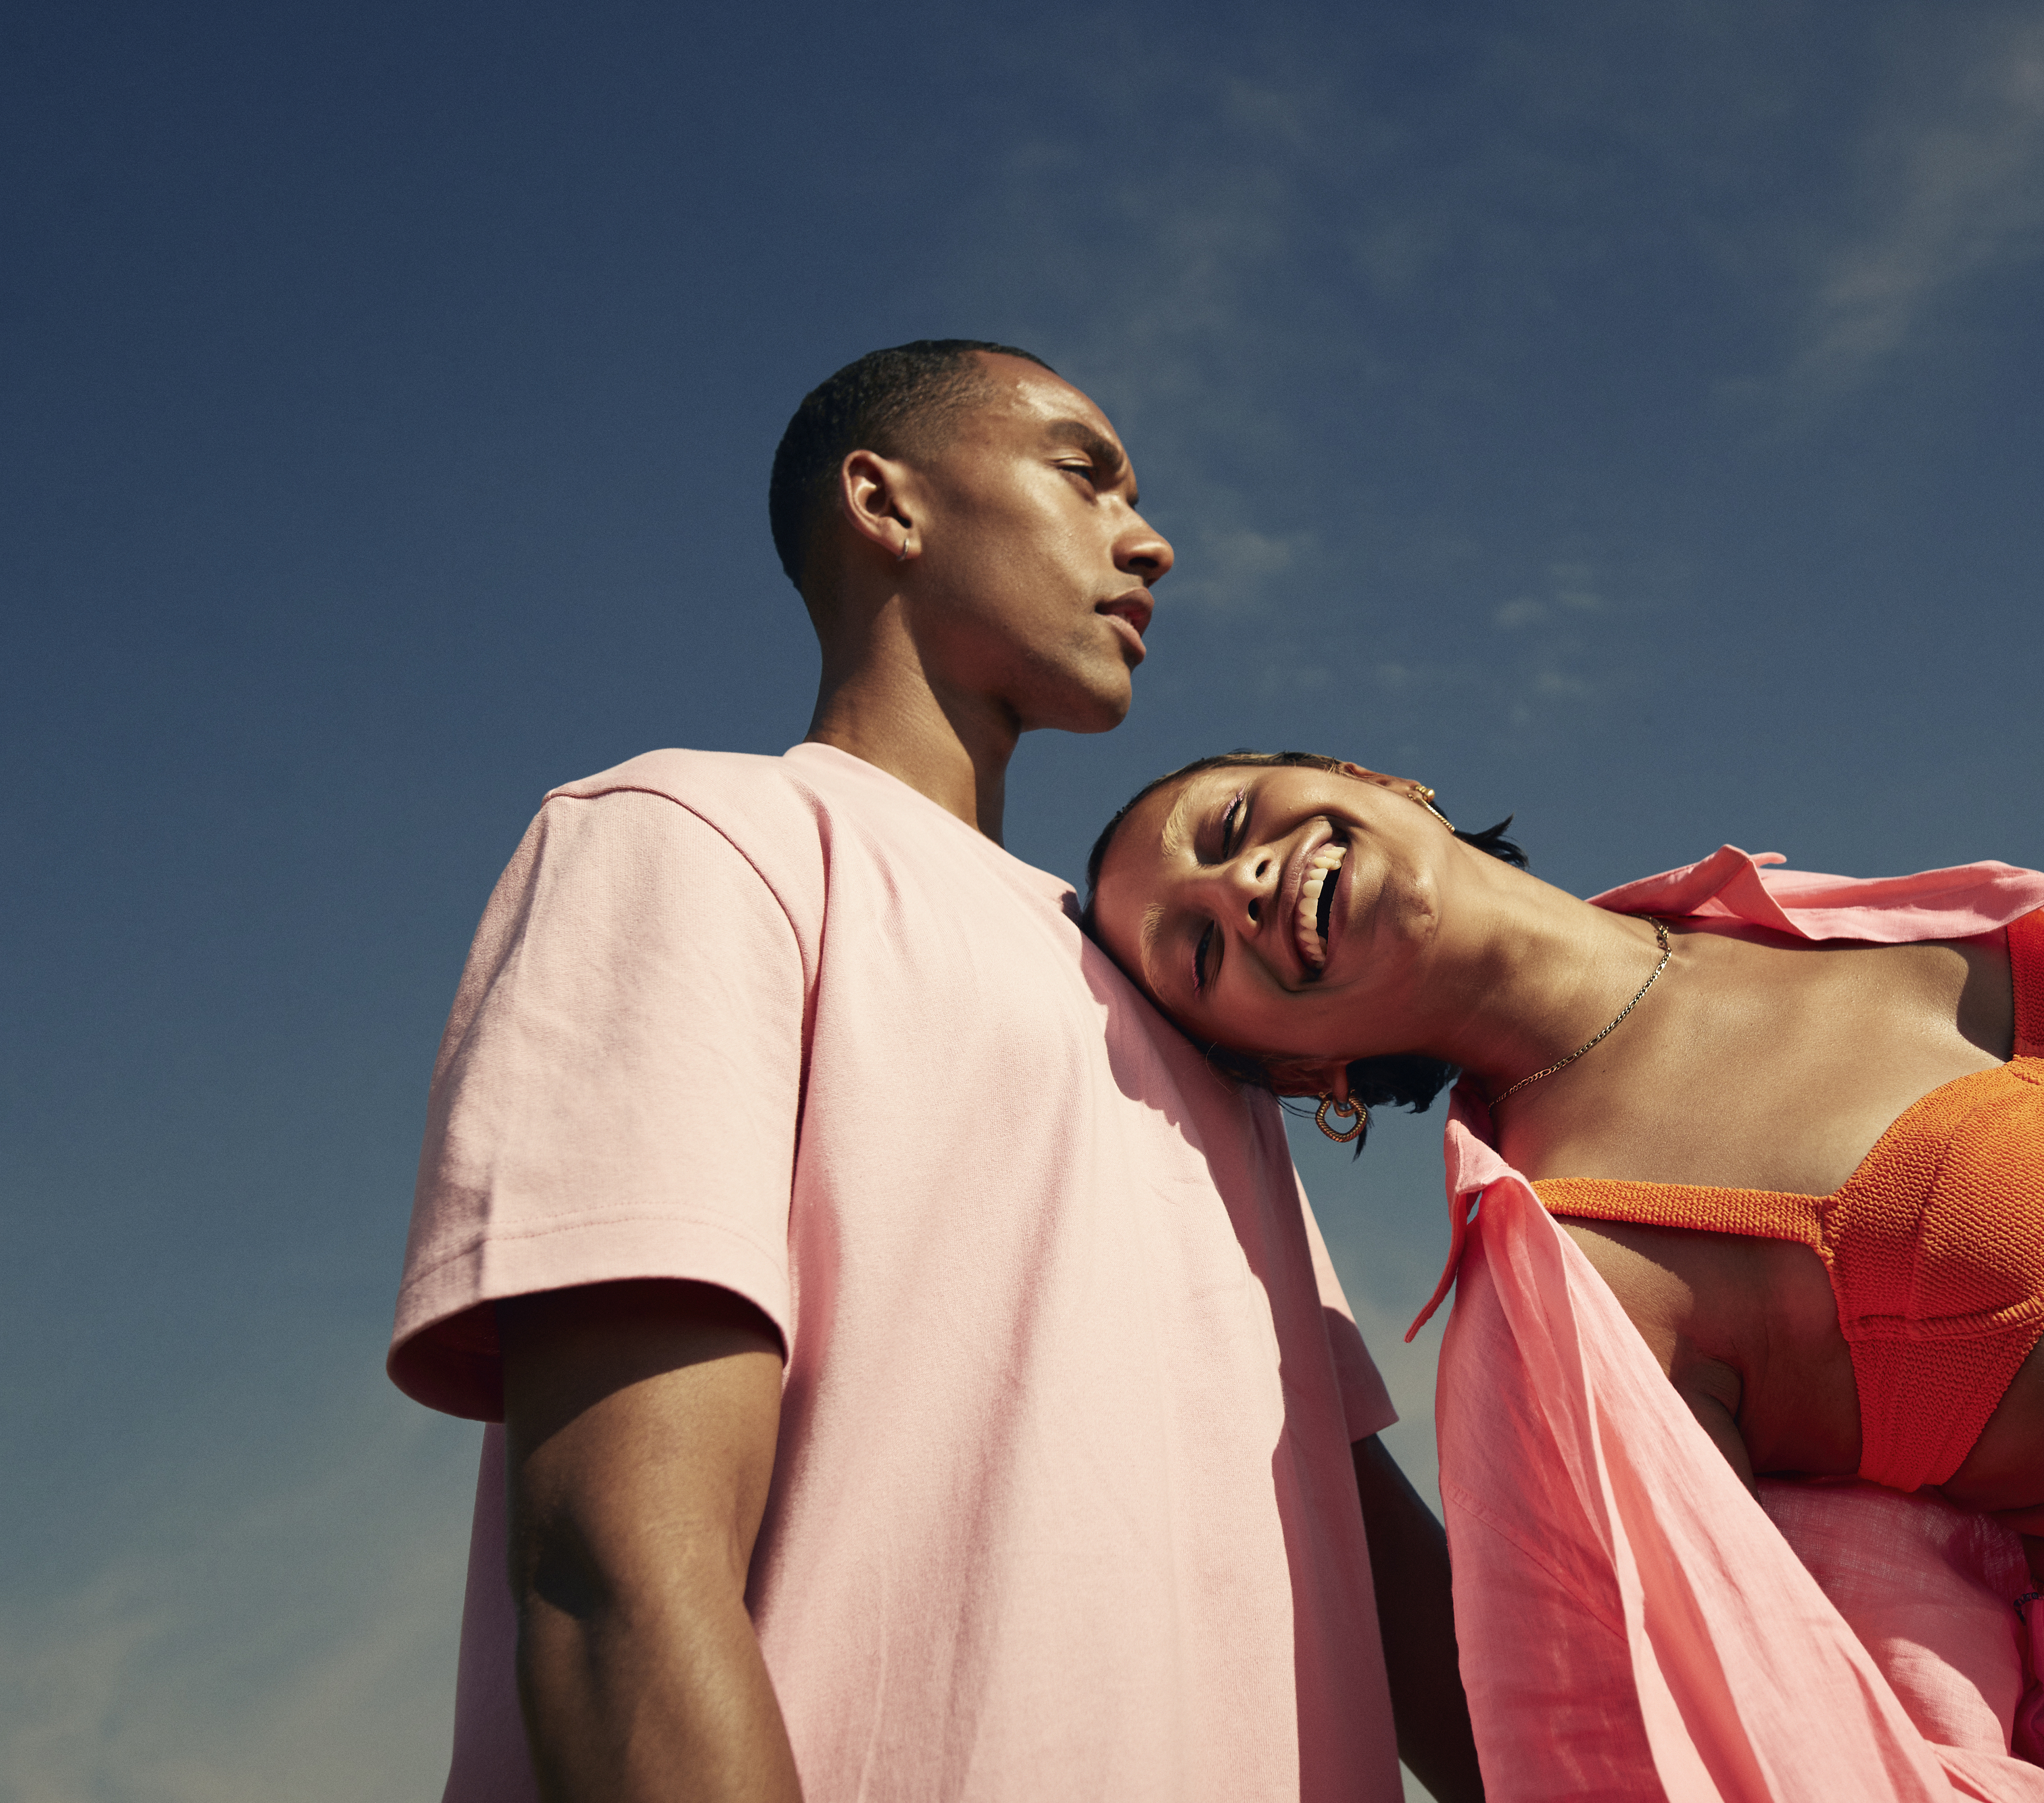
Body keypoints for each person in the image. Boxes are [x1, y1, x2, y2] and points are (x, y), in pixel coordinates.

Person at [1084, 748, 2044, 1801]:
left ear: (1367, 778)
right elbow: (1649, 1731)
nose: (1238, 886)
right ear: (1310, 1080)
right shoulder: (1575, 1272)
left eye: (1226, 823)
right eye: (1196, 951)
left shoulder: (1787, 912)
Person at [387, 351, 1479, 1803]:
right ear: (882, 502)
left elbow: (1341, 1524)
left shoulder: (1176, 995)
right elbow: (614, 1567)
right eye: (1083, 473)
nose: (1147, 540)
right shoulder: (699, 835)